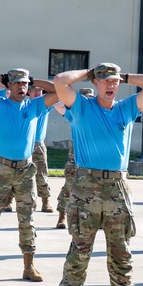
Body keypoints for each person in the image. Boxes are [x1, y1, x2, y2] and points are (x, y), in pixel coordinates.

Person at [51, 63, 143, 286]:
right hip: (86, 185)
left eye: (114, 82)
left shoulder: (127, 108)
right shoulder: (80, 106)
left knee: (121, 249)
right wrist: (88, 74)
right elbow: (59, 81)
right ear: (96, 83)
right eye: (105, 81)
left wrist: (125, 76)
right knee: (80, 247)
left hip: (117, 187)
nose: (110, 86)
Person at [0, 70, 60, 282]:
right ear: (8, 86)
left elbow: (59, 90)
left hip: (25, 171)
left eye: (24, 84)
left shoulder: (35, 106)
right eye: (16, 83)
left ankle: (29, 266)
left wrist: (33, 80)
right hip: (0, 170)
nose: (21, 88)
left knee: (27, 219)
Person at [54, 87, 94, 229]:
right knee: (70, 185)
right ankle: (62, 216)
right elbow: (57, 105)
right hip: (75, 156)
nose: (89, 101)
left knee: (94, 188)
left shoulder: (98, 113)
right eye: (86, 98)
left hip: (93, 157)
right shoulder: (75, 114)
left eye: (91, 98)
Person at [28, 82, 55, 213]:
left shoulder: (45, 105)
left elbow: (57, 91)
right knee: (17, 174)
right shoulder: (24, 105)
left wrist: (38, 81)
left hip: (38, 144)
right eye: (34, 90)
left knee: (42, 174)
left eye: (40, 90)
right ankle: (9, 201)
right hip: (24, 145)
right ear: (28, 92)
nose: (38, 92)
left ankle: (45, 202)